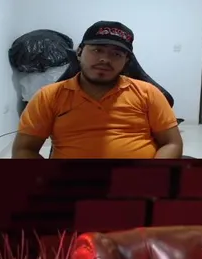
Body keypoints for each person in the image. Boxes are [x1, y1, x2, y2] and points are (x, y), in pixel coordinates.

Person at [13, 21, 182, 159]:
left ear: (126, 61)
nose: (105, 59)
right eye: (97, 50)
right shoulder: (48, 96)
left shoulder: (148, 93)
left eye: (116, 54)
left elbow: (172, 143)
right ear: (79, 53)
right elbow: (24, 150)